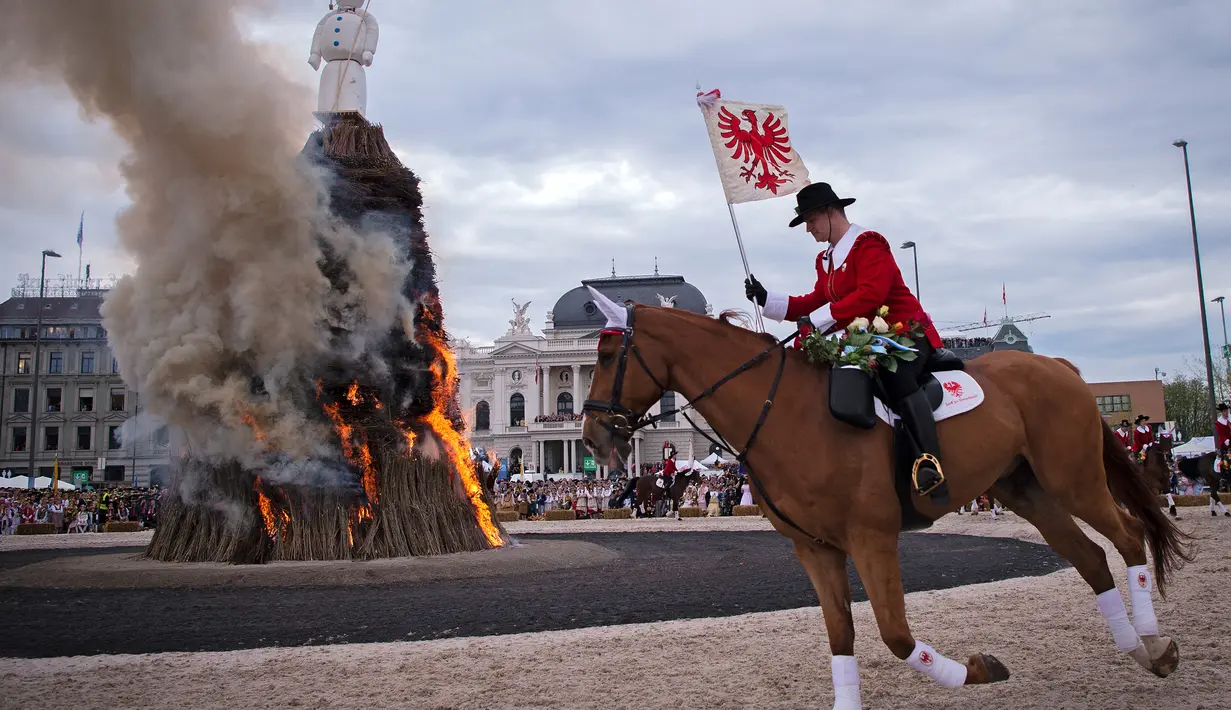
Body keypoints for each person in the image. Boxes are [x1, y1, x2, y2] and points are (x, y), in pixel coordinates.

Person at [744, 182, 945, 494]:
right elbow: (814, 301)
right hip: (863, 339)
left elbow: (870, 295)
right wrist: (767, 299)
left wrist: (816, 320)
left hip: (902, 334)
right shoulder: (826, 260)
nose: (808, 229)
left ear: (828, 212)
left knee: (895, 377)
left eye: (810, 220)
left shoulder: (869, 244)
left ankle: (927, 461)